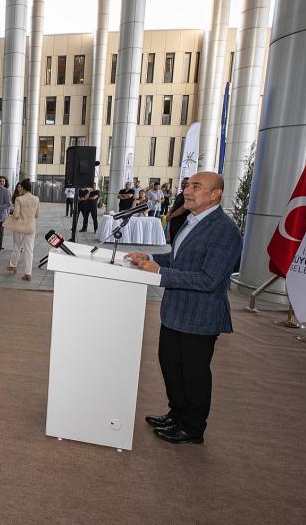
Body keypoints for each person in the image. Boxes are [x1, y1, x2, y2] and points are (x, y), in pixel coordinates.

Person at [126, 172, 242, 445]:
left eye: (196, 187)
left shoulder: (225, 230)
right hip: (175, 311)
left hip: (200, 316)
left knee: (194, 374)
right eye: (188, 186)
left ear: (215, 194)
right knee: (171, 367)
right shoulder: (192, 220)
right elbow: (180, 259)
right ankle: (176, 414)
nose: (187, 191)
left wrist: (160, 272)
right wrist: (150, 257)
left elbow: (209, 279)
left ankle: (192, 427)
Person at [5, 179, 40, 281]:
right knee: (29, 250)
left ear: (23, 188)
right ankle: (28, 273)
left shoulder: (19, 199)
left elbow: (16, 215)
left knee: (16, 247)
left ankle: (13, 265)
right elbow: (37, 215)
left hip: (20, 227)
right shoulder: (36, 199)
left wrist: (12, 212)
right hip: (31, 227)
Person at [167, 177, 191, 241]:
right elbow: (174, 205)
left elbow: (183, 208)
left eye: (186, 183)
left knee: (178, 239)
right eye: (182, 183)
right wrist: (169, 213)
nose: (183, 185)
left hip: (182, 221)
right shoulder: (180, 195)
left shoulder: (189, 195)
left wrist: (171, 216)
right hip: (174, 220)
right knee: (173, 238)